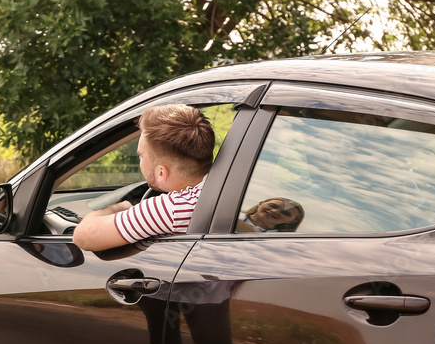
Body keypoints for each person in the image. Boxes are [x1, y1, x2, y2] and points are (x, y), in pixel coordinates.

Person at [73, 104, 214, 251]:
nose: (140, 160)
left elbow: (83, 236)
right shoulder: (223, 191)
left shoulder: (173, 209)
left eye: (141, 156)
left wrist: (122, 207)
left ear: (161, 173)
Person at [235, 197, 305, 232]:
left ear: (292, 221)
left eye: (285, 213)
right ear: (260, 204)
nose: (275, 211)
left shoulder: (281, 241)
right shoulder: (230, 214)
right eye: (273, 206)